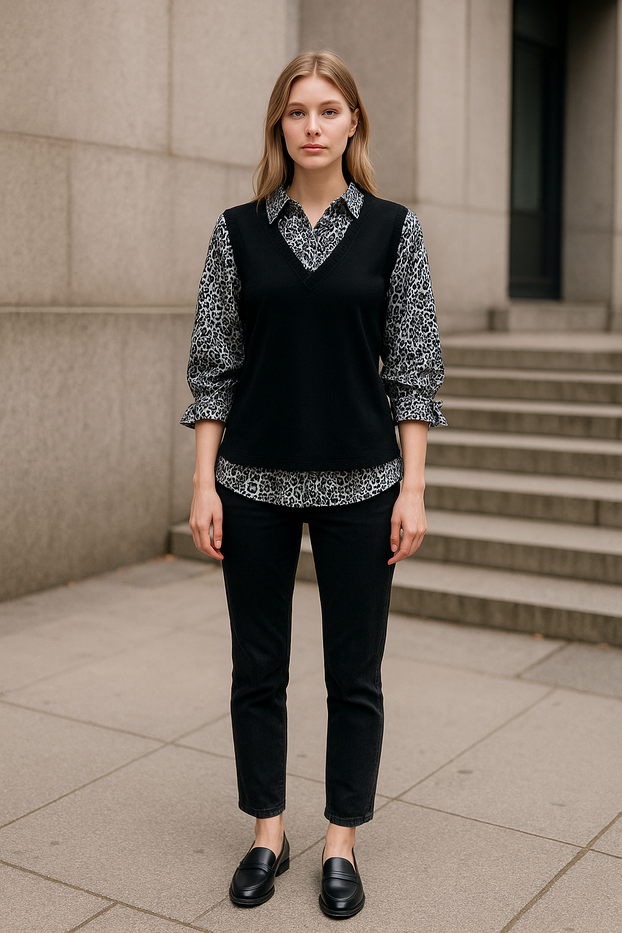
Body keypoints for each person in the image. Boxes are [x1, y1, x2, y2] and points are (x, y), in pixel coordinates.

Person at [181, 50, 446, 919]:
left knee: (354, 674)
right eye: (297, 112)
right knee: (257, 669)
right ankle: (268, 831)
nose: (313, 126)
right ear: (279, 126)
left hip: (364, 484)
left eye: (329, 110)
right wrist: (203, 483)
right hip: (250, 483)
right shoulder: (236, 232)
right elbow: (213, 367)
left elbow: (414, 369)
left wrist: (413, 488)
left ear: (353, 122)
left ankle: (340, 840)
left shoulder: (395, 230)